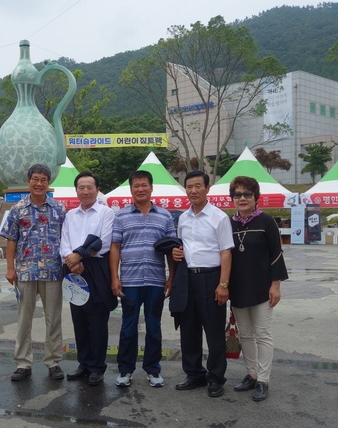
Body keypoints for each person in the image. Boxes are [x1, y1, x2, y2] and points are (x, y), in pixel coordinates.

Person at [0, 163, 67, 382]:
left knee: (53, 319)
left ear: (49, 183)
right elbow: (11, 241)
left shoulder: (59, 209)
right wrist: (10, 268)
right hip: (25, 272)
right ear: (29, 181)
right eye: (35, 179)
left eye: (43, 180)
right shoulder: (17, 209)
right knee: (24, 319)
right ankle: (23, 363)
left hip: (53, 272)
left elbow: (67, 239)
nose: (39, 184)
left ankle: (53, 361)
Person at [170, 171, 234, 397]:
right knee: (189, 330)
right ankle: (194, 374)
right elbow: (183, 246)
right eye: (189, 186)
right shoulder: (183, 218)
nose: (193, 190)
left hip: (211, 278)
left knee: (214, 331)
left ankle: (215, 378)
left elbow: (226, 253)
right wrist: (177, 253)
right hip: (187, 277)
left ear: (208, 188)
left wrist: (223, 285)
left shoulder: (219, 217)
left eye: (198, 185)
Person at [110, 170, 176, 388]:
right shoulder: (121, 216)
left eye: (144, 185)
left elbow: (171, 250)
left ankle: (153, 369)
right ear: (131, 189)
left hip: (156, 281)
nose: (140, 189)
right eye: (136, 185)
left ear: (151, 187)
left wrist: (171, 278)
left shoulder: (165, 216)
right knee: (128, 327)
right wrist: (115, 277)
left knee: (154, 326)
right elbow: (115, 248)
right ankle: (126, 370)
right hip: (130, 281)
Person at [227, 176, 288, 402]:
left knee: (263, 335)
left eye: (247, 194)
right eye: (237, 194)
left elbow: (276, 255)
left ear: (256, 197)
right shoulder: (229, 224)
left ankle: (263, 379)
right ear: (232, 198)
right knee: (246, 334)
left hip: (262, 289)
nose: (242, 198)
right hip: (238, 289)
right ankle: (251, 374)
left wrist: (276, 286)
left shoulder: (267, 222)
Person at [60, 171, 117, 386]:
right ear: (76, 190)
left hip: (96, 268)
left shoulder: (106, 213)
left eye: (89, 187)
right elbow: (64, 241)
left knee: (98, 320)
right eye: (81, 187)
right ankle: (83, 363)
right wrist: (71, 262)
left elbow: (103, 242)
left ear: (97, 189)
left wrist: (78, 255)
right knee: (79, 319)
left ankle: (97, 366)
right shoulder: (70, 215)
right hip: (73, 269)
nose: (85, 191)